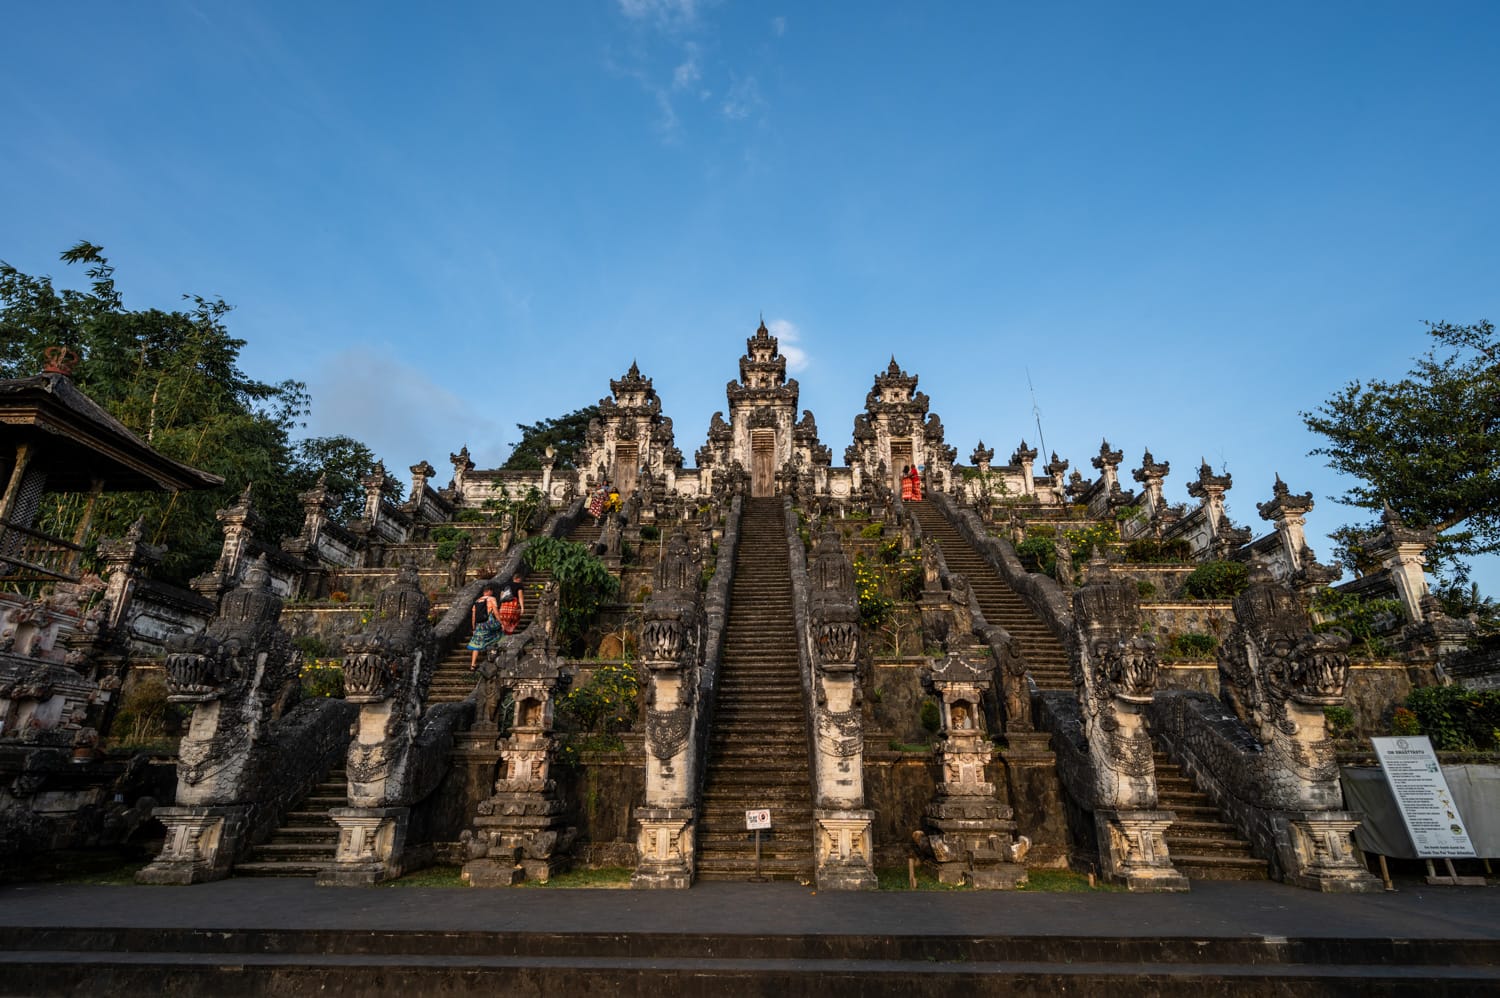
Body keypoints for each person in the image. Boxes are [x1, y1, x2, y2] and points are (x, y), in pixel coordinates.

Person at [467, 586, 503, 670]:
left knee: (476, 644)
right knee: (499, 634)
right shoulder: (491, 599)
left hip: (479, 625)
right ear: (489, 591)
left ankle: (473, 665)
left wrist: (474, 628)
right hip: (489, 623)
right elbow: (496, 612)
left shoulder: (477, 601)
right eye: (491, 591)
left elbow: (473, 616)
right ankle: (492, 655)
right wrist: (501, 623)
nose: (492, 593)